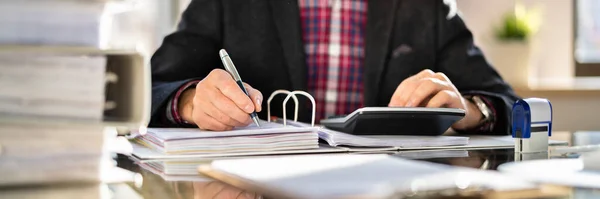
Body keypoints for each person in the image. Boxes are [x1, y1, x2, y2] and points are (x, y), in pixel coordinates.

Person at [150, 0, 519, 135]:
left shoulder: (425, 6)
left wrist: (470, 110)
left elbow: (506, 103)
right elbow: (149, 88)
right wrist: (190, 102)